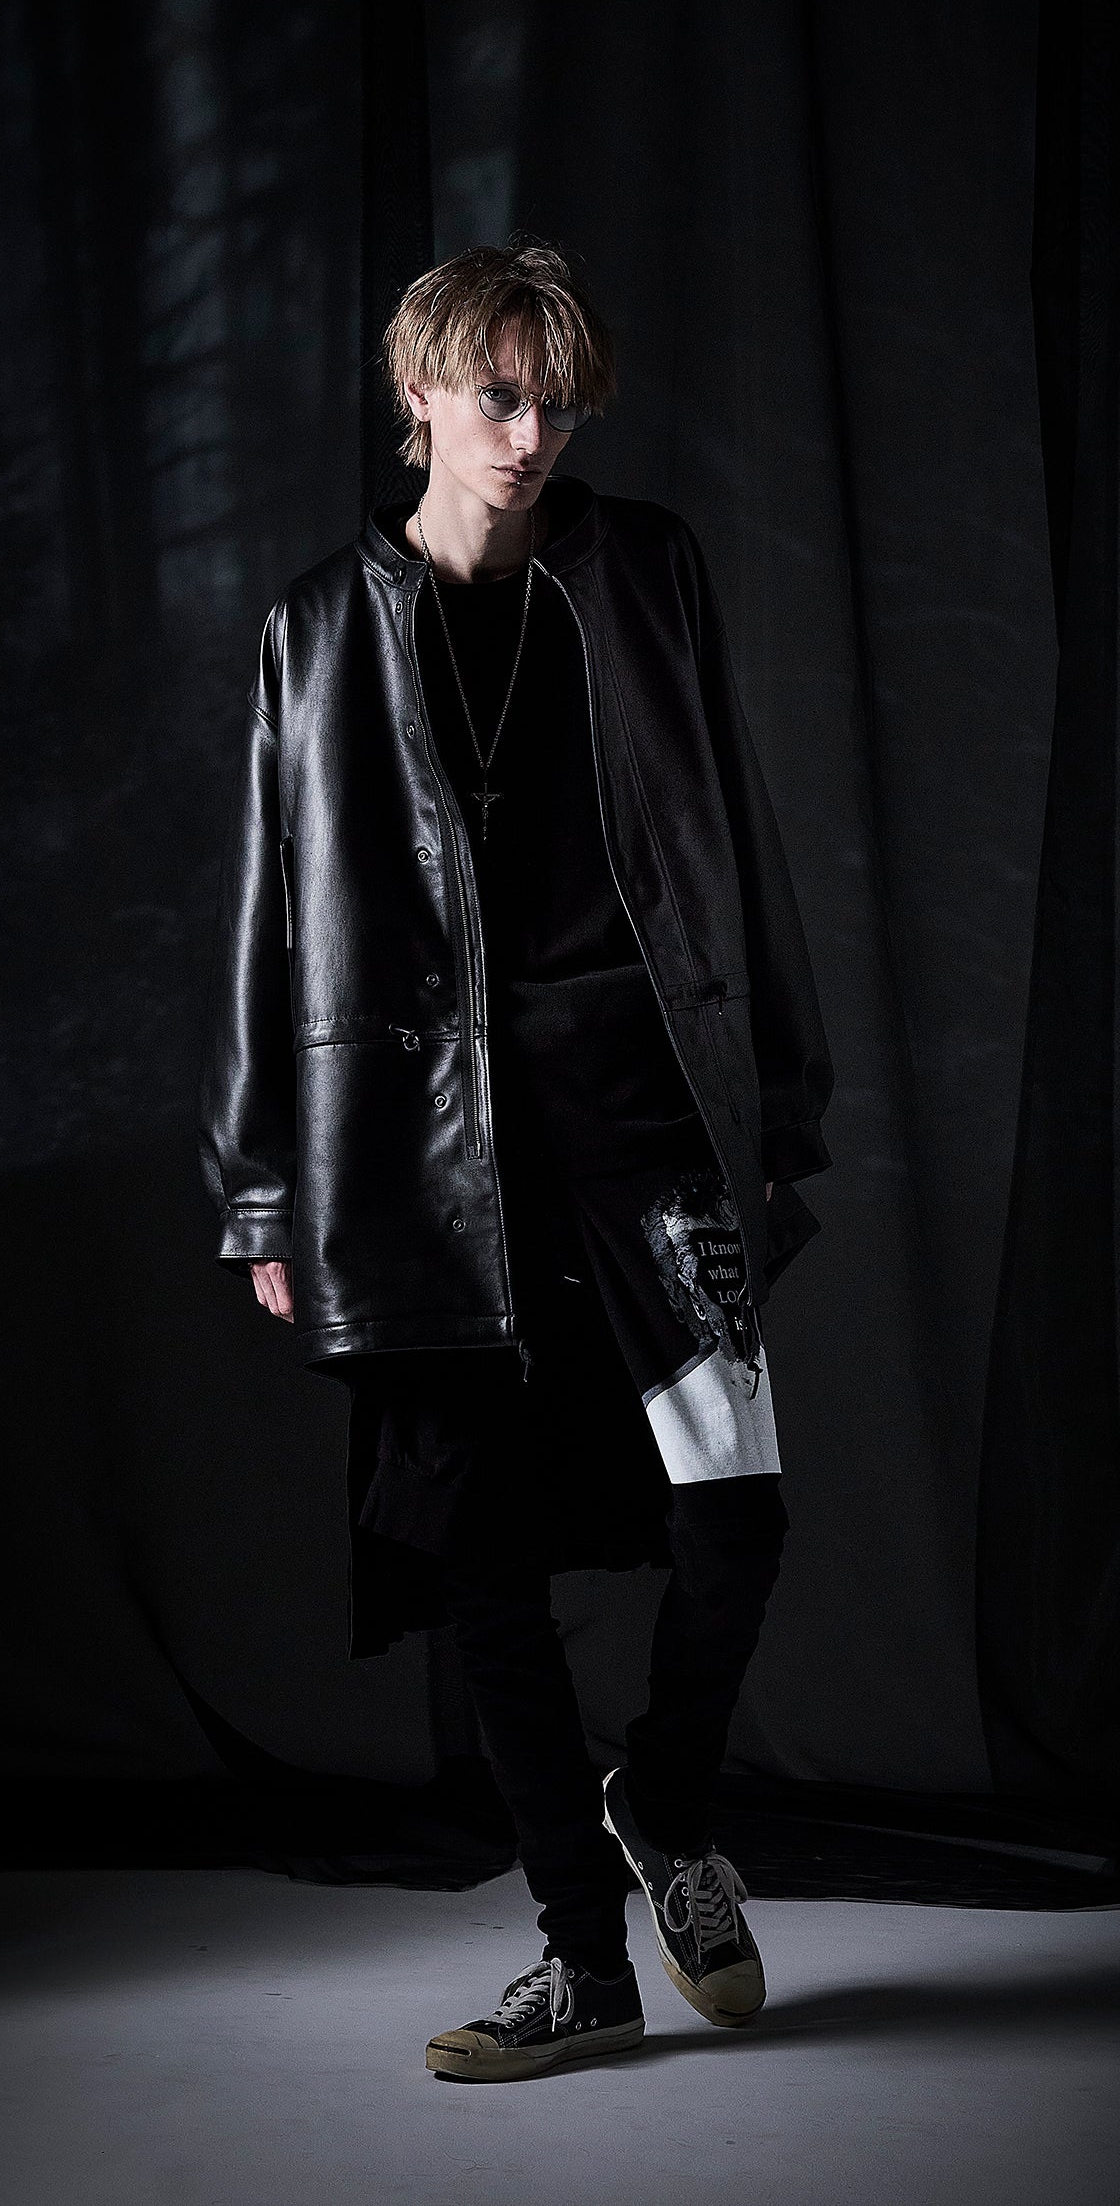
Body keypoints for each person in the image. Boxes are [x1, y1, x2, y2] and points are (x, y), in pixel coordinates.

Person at [198, 237, 835, 2082]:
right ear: (420, 392)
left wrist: (778, 1094)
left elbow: (734, 840)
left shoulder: (643, 572)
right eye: (499, 395)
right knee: (485, 1562)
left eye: (558, 402)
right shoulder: (319, 630)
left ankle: (666, 1803)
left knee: (736, 1513)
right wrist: (263, 1187)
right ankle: (581, 1959)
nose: (533, 433)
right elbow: (267, 925)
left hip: (643, 1112)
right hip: (423, 1151)